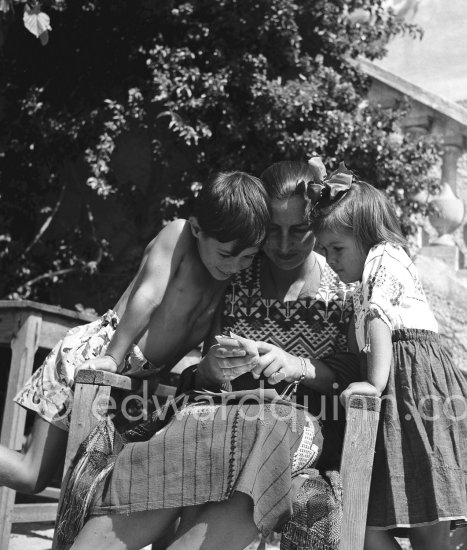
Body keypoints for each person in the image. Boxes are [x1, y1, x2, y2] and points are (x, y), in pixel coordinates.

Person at [68, 160, 359, 550]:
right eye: (273, 231)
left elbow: (359, 377)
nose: (285, 245)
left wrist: (300, 367)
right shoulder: (236, 274)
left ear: (318, 225)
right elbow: (199, 376)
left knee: (263, 432)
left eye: (300, 230)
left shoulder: (342, 289)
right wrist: (209, 368)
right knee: (194, 434)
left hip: (298, 429)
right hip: (222, 421)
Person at [0, 171, 270, 497]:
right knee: (32, 475)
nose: (236, 266)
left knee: (100, 483)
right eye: (228, 255)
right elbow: (148, 296)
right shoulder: (180, 235)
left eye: (248, 258)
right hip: (96, 355)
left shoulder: (226, 276)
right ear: (199, 229)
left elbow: (212, 346)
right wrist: (113, 358)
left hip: (133, 381)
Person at [308, 159, 467, 550]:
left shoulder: (382, 257)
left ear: (367, 235)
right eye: (324, 250)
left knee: (423, 511)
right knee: (370, 518)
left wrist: (373, 382)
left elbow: (379, 318)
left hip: (412, 386)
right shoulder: (367, 276)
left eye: (338, 248)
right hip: (403, 395)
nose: (330, 259)